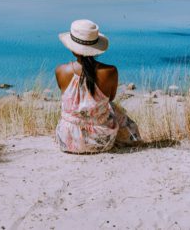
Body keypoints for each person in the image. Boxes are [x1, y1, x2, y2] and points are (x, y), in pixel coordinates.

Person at [55, 19, 141, 153]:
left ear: (73, 48)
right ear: (96, 48)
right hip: (102, 142)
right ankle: (132, 138)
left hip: (67, 140)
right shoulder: (110, 71)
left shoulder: (61, 71)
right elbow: (110, 99)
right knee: (113, 108)